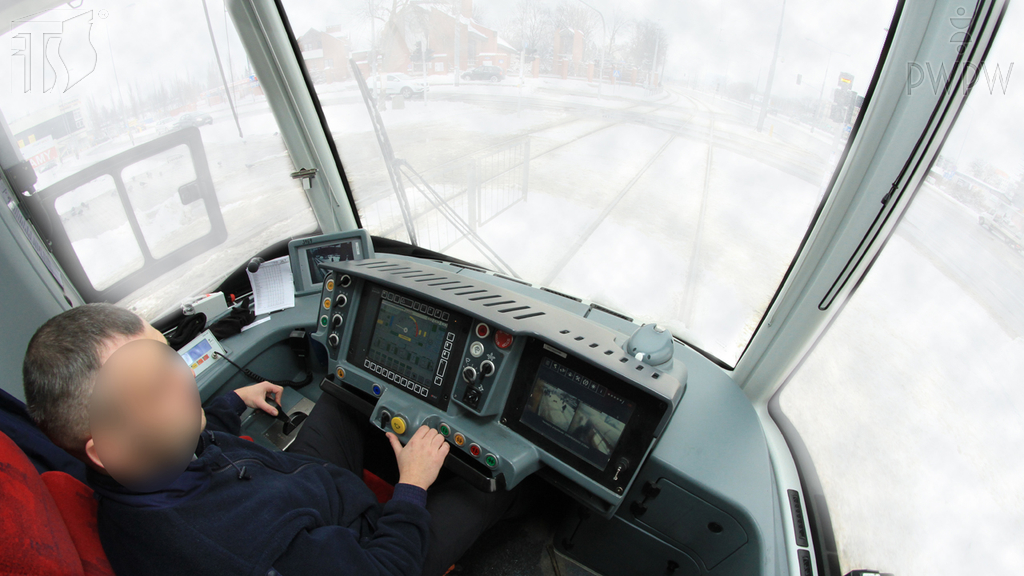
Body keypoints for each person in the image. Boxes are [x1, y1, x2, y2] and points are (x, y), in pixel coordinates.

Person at [22, 303, 518, 576]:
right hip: (366, 546)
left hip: (291, 492)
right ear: (104, 448)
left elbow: (192, 442)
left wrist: (233, 400)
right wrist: (411, 487)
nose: (183, 381)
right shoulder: (237, 549)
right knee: (489, 485)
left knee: (342, 396)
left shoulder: (139, 467)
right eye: (155, 384)